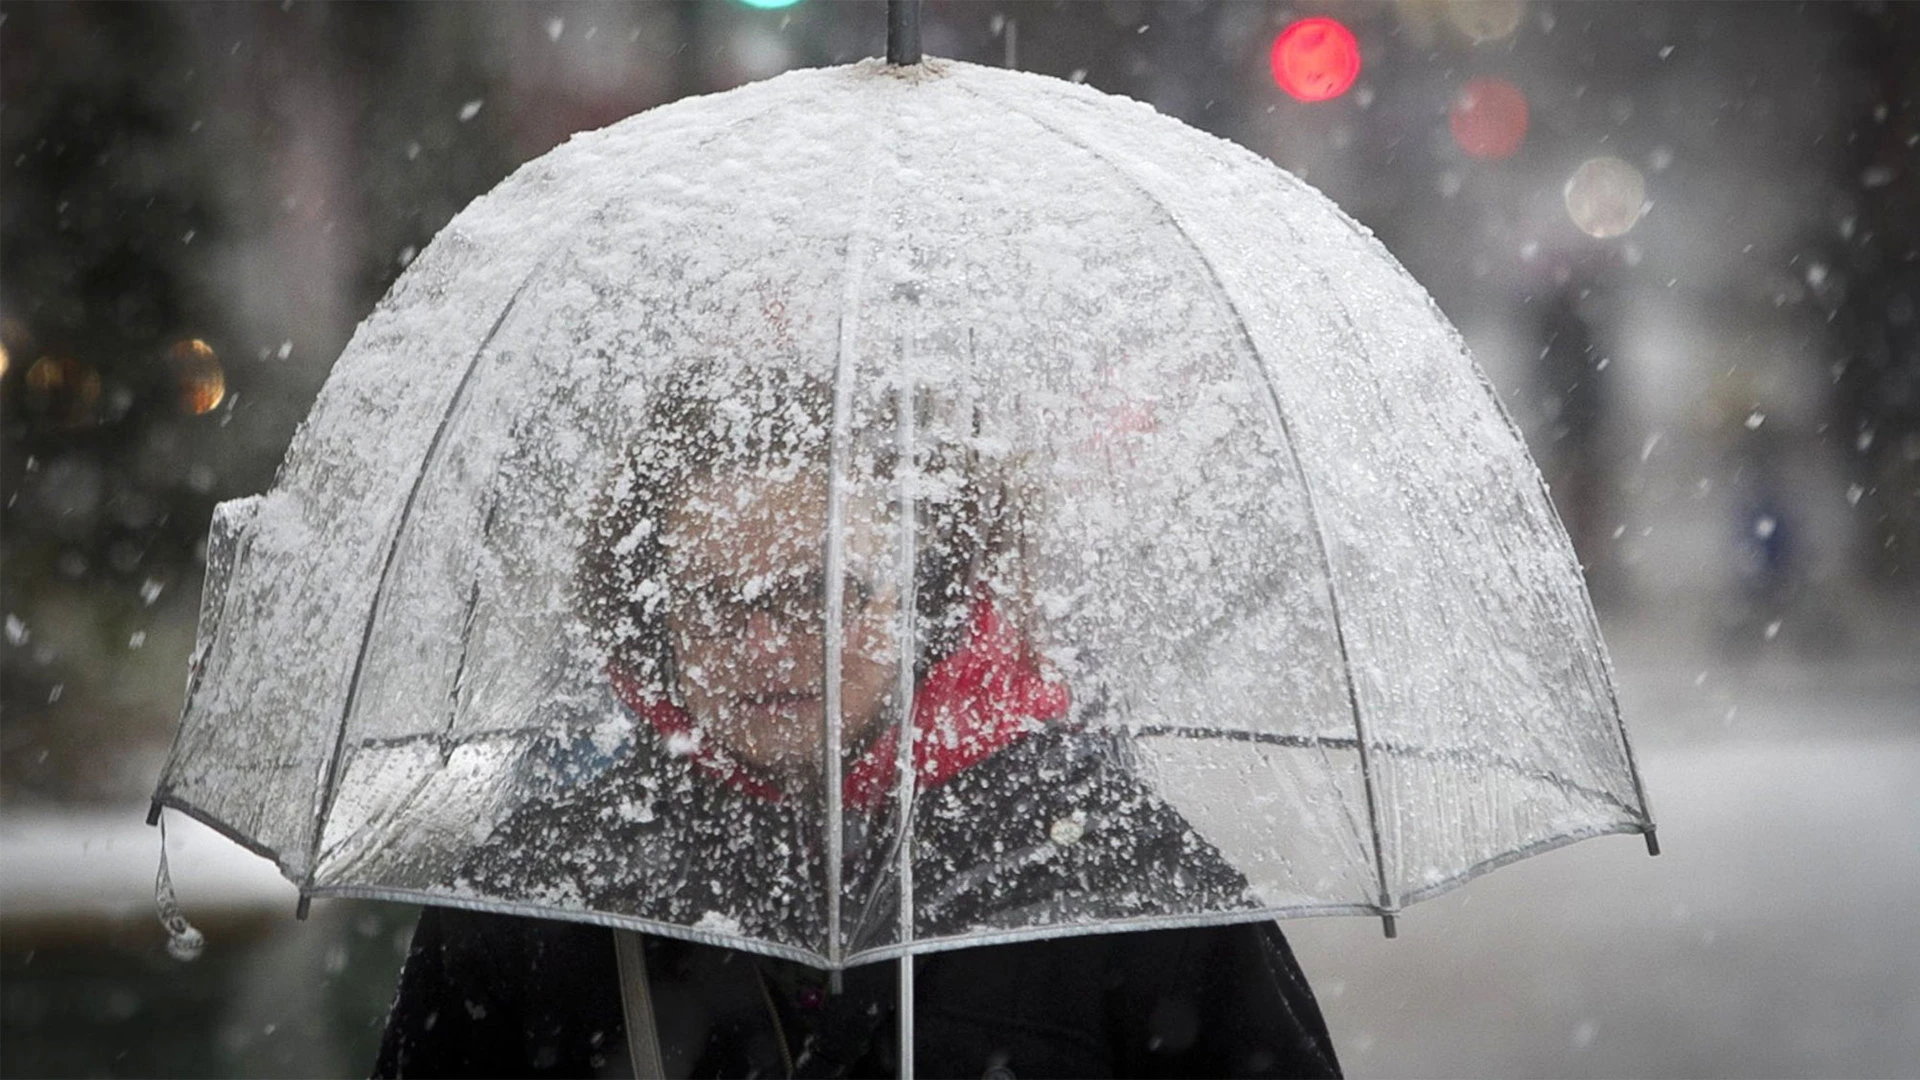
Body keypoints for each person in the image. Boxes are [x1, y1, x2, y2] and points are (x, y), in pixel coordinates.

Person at [374, 368, 1341, 1079]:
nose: (762, 646)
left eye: (817, 594)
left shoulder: (1116, 888)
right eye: (712, 602)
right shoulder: (538, 903)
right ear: (650, 614)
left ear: (931, 595)